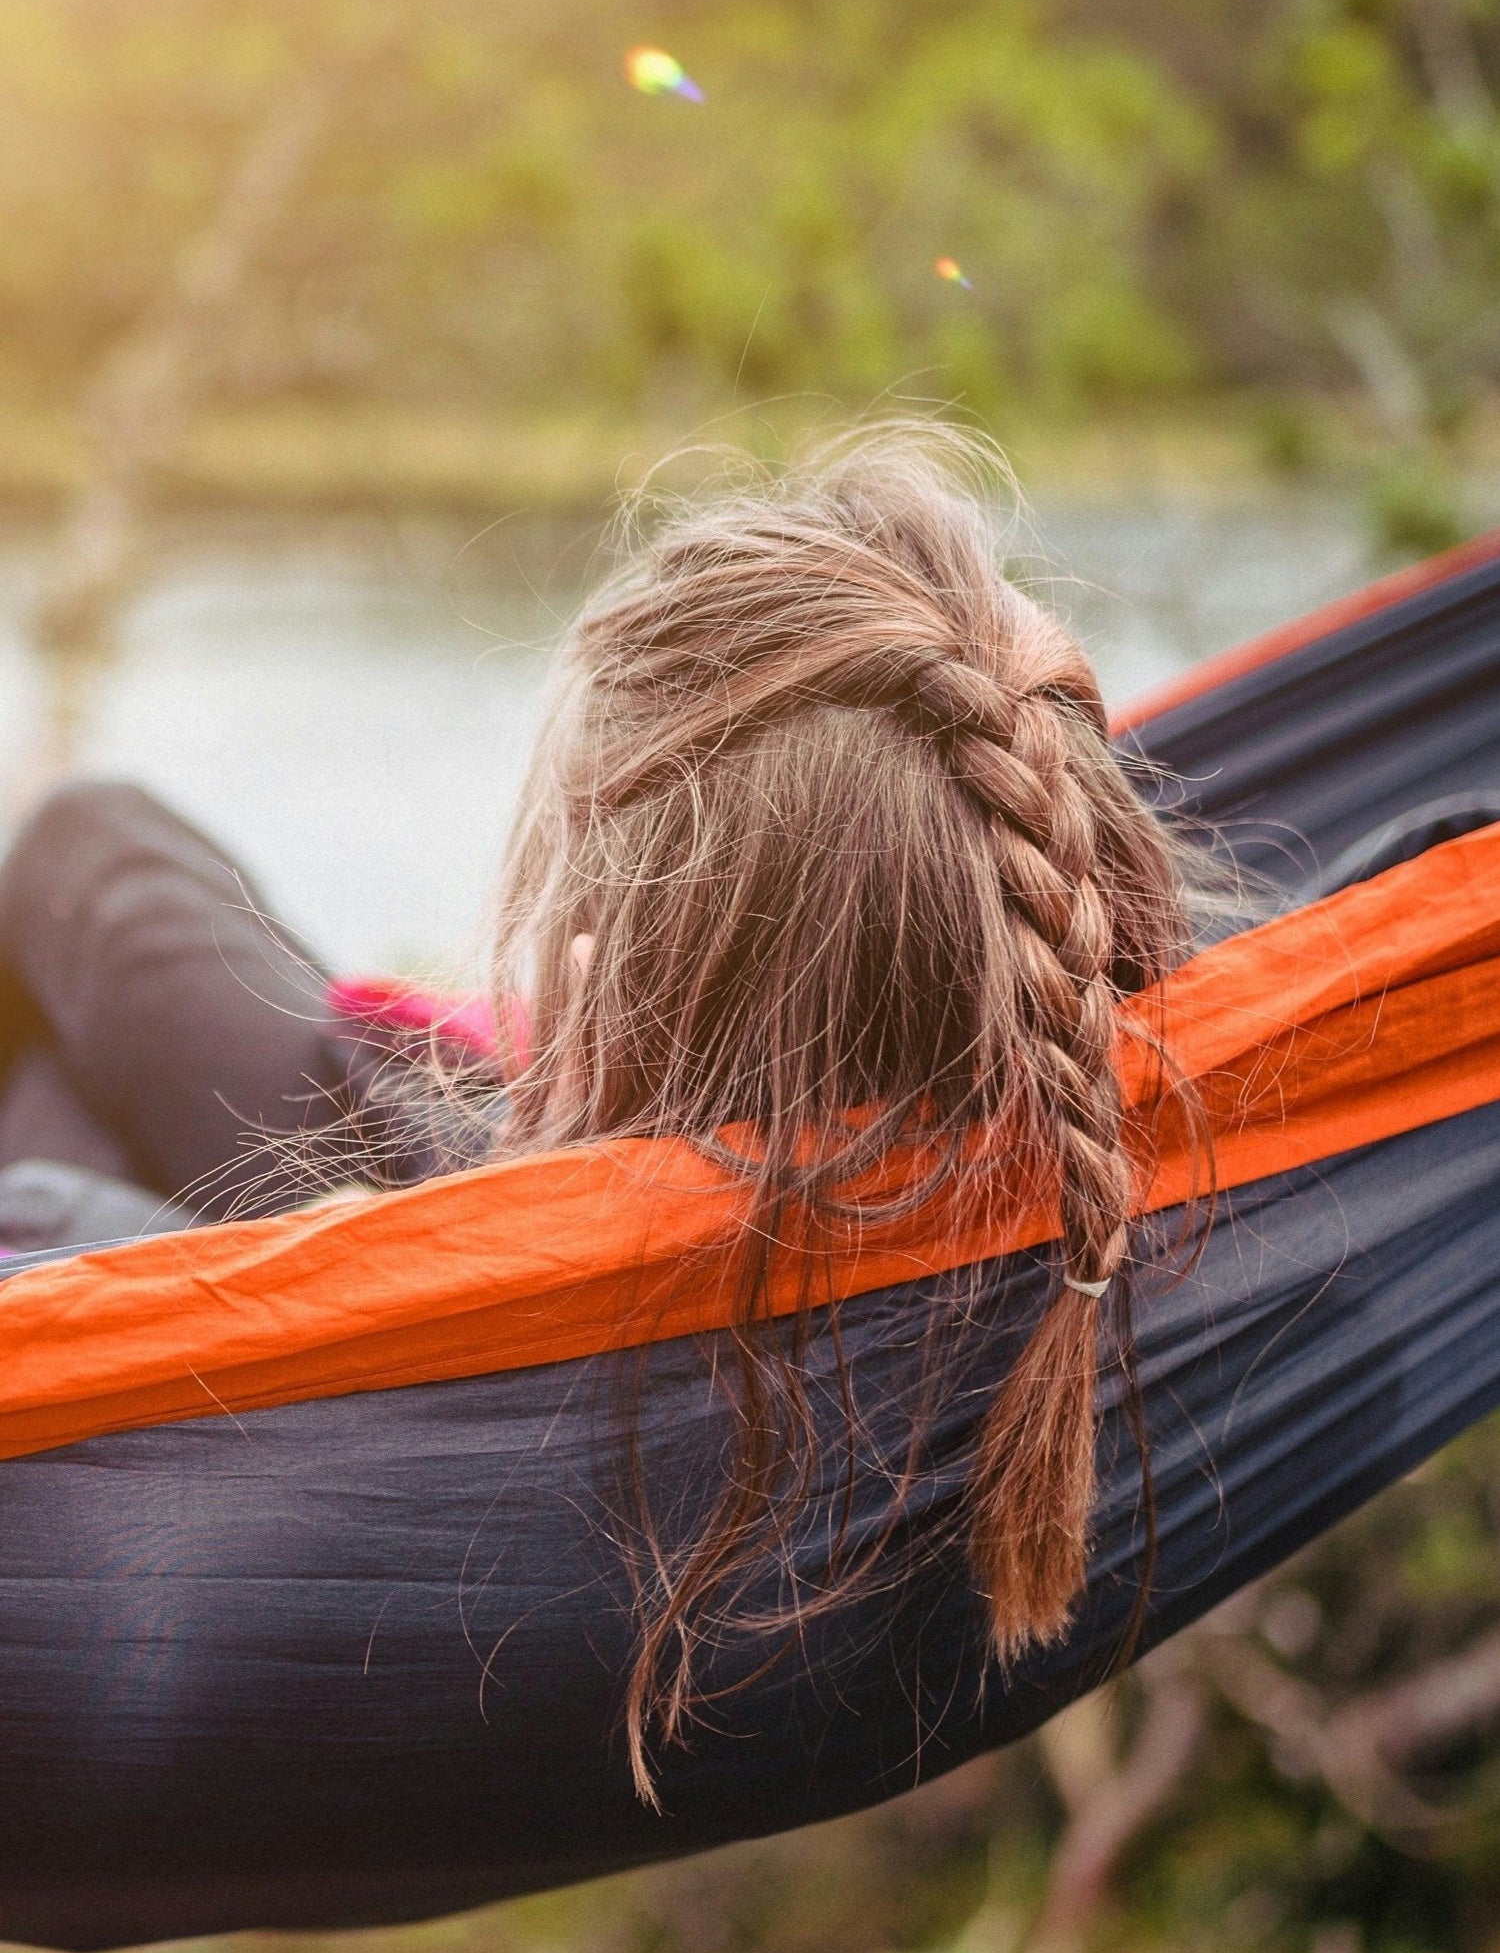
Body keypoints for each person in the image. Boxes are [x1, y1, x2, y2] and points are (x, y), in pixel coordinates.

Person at [0, 421, 1195, 1791]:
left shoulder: (494, 1374)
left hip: (465, 1252)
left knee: (81, 861)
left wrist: (543, 1143)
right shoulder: (1164, 1173)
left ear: (586, 998)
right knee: (58, 1056)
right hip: (619, 1245)